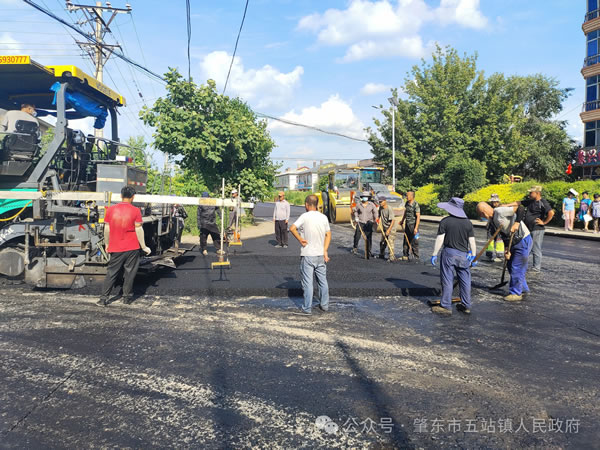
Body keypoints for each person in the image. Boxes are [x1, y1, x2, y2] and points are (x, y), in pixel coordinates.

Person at [97, 186, 151, 306]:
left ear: (121, 196)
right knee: (130, 273)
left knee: (111, 272)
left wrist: (107, 244)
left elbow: (106, 229)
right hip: (132, 247)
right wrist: (143, 246)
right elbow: (139, 229)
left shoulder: (110, 210)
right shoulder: (135, 211)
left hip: (116, 247)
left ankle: (103, 299)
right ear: (133, 197)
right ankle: (126, 298)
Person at [430, 197, 476, 315]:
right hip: (464, 255)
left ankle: (446, 306)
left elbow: (440, 239)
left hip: (449, 254)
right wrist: (474, 255)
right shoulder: (468, 223)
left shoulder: (445, 221)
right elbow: (472, 241)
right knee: (465, 280)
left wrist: (434, 254)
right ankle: (466, 305)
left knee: (447, 279)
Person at [479, 202, 532, 302]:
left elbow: (520, 208)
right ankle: (523, 288)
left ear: (484, 212)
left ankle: (516, 293)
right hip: (512, 241)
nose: (482, 217)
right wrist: (507, 248)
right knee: (510, 264)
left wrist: (517, 223)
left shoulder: (500, 211)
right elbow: (503, 233)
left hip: (522, 239)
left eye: (481, 214)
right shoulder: (493, 220)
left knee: (517, 266)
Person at [289, 194, 331, 316]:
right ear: (317, 205)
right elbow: (328, 235)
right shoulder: (323, 217)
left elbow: (292, 228)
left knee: (308, 283)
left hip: (308, 254)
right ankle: (324, 305)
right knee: (322, 281)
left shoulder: (305, 216)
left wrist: (300, 239)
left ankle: (307, 308)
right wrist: (325, 250)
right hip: (320, 255)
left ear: (307, 205)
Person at [504, 186, 554, 273]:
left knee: (535, 248)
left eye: (531, 193)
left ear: (537, 193)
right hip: (528, 229)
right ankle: (522, 265)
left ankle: (536, 268)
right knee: (526, 247)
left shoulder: (542, 202)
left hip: (537, 229)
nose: (529, 194)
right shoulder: (531, 201)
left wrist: (544, 222)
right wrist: (506, 205)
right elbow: (518, 202)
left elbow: (551, 212)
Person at [351, 191, 378, 258]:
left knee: (369, 237)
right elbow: (356, 211)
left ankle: (369, 250)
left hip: (368, 222)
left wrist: (376, 218)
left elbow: (375, 212)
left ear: (368, 198)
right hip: (360, 222)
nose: (365, 198)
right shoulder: (359, 204)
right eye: (363, 197)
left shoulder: (371, 205)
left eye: (366, 197)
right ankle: (355, 247)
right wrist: (356, 217)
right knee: (357, 235)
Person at [197, 191, 224, 256]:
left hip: (212, 222)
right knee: (203, 236)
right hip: (204, 222)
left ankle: (218, 249)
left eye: (206, 198)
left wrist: (221, 217)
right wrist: (199, 223)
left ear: (209, 197)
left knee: (216, 235)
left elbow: (218, 209)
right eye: (204, 198)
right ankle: (204, 249)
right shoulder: (201, 203)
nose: (205, 199)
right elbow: (198, 214)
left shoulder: (213, 202)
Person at [399, 190, 420, 261]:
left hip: (413, 225)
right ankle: (405, 255)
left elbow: (418, 217)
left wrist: (416, 228)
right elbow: (406, 212)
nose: (406, 197)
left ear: (412, 196)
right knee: (406, 240)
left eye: (407, 195)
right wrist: (402, 220)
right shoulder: (407, 203)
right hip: (407, 224)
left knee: (415, 241)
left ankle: (415, 256)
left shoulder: (415, 204)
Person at [485, 194, 504, 262]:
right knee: (490, 241)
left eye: (495, 202)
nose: (494, 203)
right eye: (493, 202)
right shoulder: (490, 207)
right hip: (492, 226)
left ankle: (499, 256)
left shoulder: (501, 208)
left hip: (499, 226)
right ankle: (489, 255)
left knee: (499, 241)